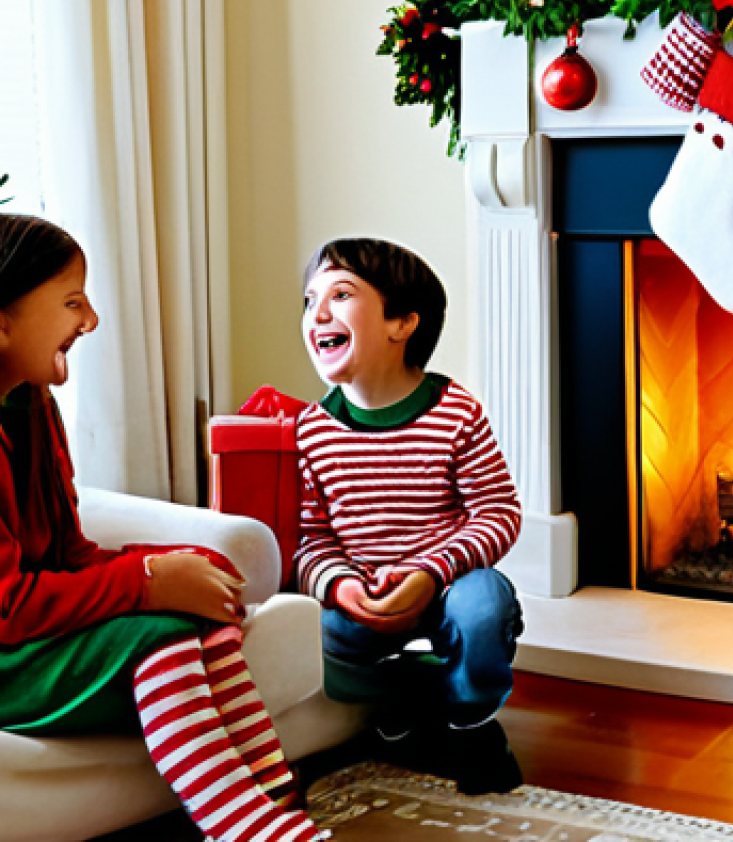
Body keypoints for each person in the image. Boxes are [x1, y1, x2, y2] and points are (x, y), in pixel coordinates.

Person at [0, 214, 328, 842]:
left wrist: (179, 566)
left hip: (31, 643)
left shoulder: (32, 407)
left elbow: (68, 554)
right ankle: (245, 829)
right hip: (9, 654)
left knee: (194, 613)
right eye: (72, 302)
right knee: (156, 630)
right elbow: (8, 604)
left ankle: (274, 804)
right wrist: (147, 583)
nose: (90, 320)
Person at [293, 237, 524, 794]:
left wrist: (432, 571)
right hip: (362, 595)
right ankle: (394, 696)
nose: (317, 313)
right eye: (308, 300)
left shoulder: (455, 412)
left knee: (485, 605)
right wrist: (341, 586)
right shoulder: (309, 432)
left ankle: (471, 723)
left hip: (447, 583)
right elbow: (308, 541)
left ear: (402, 324)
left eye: (340, 295)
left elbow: (497, 511)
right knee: (302, 635)